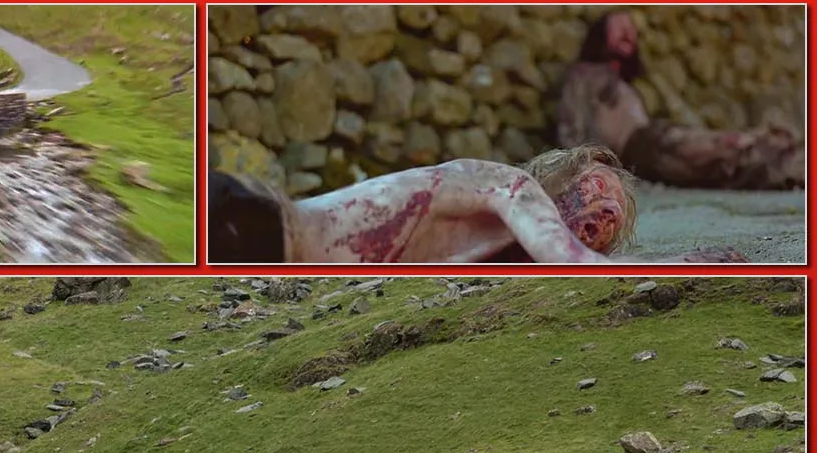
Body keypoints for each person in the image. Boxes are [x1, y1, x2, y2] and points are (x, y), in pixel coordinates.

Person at [208, 148, 746, 264]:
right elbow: (570, 262)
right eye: (598, 191)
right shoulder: (510, 186)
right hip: (252, 225)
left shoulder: (494, 250)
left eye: (613, 223)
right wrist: (685, 264)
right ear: (560, 177)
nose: (603, 215)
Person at [557, 11, 803, 190]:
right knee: (720, 153)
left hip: (657, 136)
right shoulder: (585, 75)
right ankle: (784, 162)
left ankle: (783, 158)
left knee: (717, 151)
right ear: (601, 35)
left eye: (631, 28)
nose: (628, 33)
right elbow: (572, 125)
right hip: (639, 146)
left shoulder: (629, 84)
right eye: (619, 27)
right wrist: (586, 168)